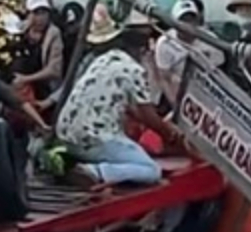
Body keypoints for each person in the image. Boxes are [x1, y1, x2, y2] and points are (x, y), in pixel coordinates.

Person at [55, 16, 178, 186]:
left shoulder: (102, 60)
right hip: (93, 138)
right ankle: (93, 172)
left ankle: (87, 167)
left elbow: (134, 111)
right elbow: (149, 116)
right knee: (152, 170)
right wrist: (170, 135)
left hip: (66, 134)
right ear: (143, 50)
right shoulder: (134, 69)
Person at [153, 0, 223, 107]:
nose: (188, 24)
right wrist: (176, 105)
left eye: (191, 19)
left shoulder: (210, 39)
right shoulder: (165, 43)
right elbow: (164, 78)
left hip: (206, 92)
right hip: (177, 93)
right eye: (183, 20)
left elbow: (219, 73)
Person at [13, 0, 64, 101]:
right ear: (28, 14)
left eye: (43, 13)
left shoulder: (54, 33)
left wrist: (26, 79)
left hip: (44, 87)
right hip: (19, 85)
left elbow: (54, 70)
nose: (40, 18)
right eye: (36, 13)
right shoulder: (20, 29)